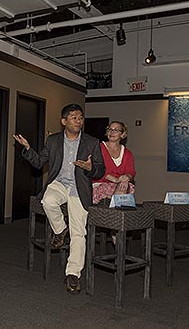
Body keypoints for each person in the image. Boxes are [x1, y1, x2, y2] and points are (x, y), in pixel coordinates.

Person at [14, 103, 105, 294]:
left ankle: (73, 274)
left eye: (80, 117)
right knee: (48, 201)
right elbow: (39, 162)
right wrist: (28, 148)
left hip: (79, 189)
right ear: (64, 121)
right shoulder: (53, 140)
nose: (78, 121)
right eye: (73, 117)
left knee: (79, 233)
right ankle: (61, 230)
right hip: (59, 184)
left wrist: (90, 168)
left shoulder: (92, 142)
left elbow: (100, 170)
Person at [92, 121, 136, 205]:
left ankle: (115, 214)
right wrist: (115, 179)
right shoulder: (98, 148)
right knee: (119, 187)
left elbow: (131, 172)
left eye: (116, 130)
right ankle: (113, 211)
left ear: (122, 134)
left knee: (123, 185)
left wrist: (126, 177)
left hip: (119, 185)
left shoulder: (128, 153)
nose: (112, 132)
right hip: (100, 184)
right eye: (110, 129)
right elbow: (96, 169)